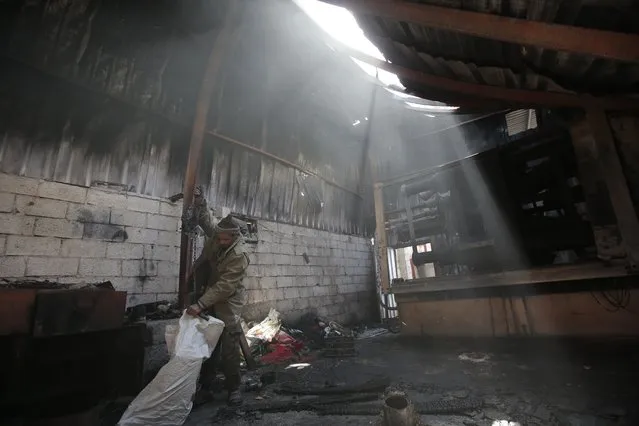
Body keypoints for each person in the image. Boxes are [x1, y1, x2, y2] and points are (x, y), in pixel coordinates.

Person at [185, 196, 249, 406]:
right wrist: (200, 203)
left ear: (234, 237)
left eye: (224, 240)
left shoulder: (239, 255)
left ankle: (234, 388)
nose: (220, 242)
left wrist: (200, 304)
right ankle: (206, 386)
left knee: (229, 348)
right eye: (218, 238)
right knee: (207, 345)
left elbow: (226, 286)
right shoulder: (218, 234)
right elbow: (206, 221)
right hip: (209, 295)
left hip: (228, 301)